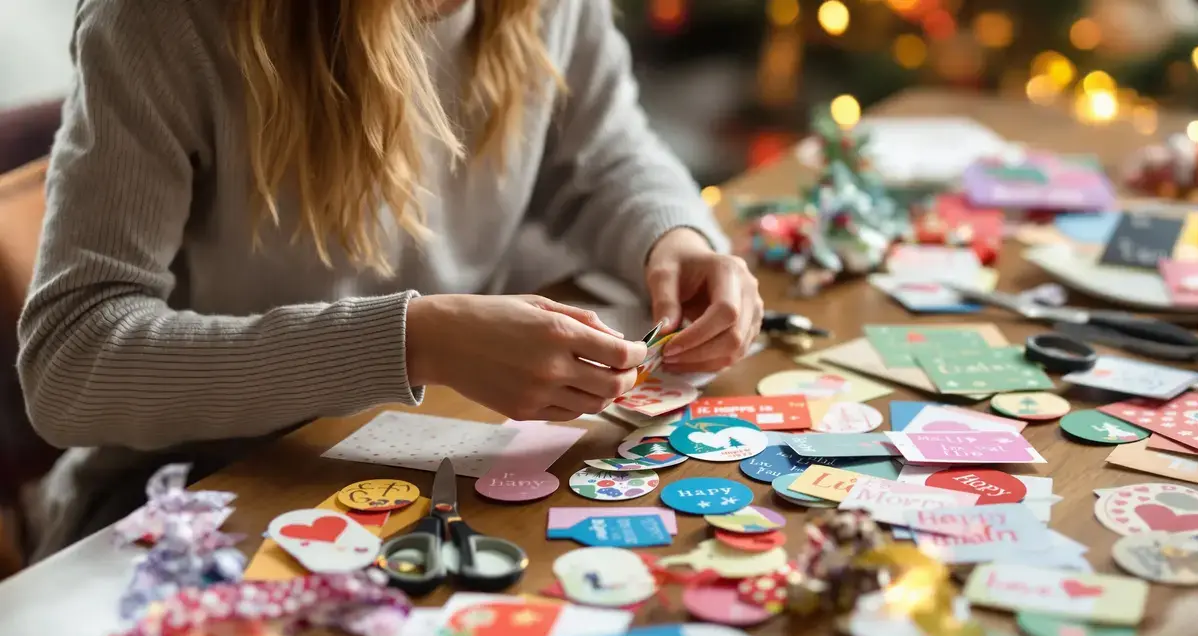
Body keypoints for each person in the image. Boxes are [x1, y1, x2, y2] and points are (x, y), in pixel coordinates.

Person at [16, 0, 763, 559]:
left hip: (434, 455)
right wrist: (412, 342)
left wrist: (677, 234)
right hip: (187, 499)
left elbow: (605, 152)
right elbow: (71, 364)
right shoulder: (161, 20)